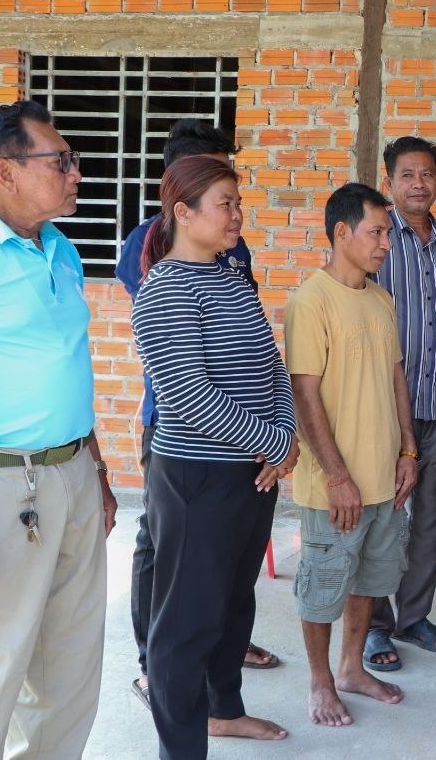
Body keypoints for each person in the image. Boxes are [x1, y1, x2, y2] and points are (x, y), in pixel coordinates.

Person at [132, 155, 297, 757]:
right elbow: (188, 395)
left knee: (232, 604)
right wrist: (275, 443)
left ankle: (224, 711)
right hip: (196, 478)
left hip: (252, 473)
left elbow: (272, 367)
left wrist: (286, 435)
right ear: (184, 212)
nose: (237, 215)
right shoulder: (164, 289)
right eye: (225, 204)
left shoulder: (231, 277)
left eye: (238, 203)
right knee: (187, 624)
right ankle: (181, 747)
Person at [0, 100, 117, 759]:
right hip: (2, 482)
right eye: (60, 161)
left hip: (71, 473)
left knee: (69, 661)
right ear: (4, 171)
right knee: (0, 657)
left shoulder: (60, 249)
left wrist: (96, 469)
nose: (76, 174)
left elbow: (72, 364)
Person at [285, 183, 418, 725]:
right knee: (322, 585)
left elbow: (396, 377)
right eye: (376, 232)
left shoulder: (380, 298)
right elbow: (304, 394)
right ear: (342, 233)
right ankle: (320, 682)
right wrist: (338, 476)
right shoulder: (311, 300)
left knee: (370, 580)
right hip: (334, 487)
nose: (386, 243)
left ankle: (351, 668)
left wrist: (409, 449)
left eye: (388, 233)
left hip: (384, 477)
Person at [367, 136, 436, 670]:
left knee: (430, 520)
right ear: (389, 182)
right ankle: (374, 625)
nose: (418, 184)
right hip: (383, 409)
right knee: (382, 519)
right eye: (407, 175)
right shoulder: (376, 239)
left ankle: (412, 617)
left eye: (427, 174)